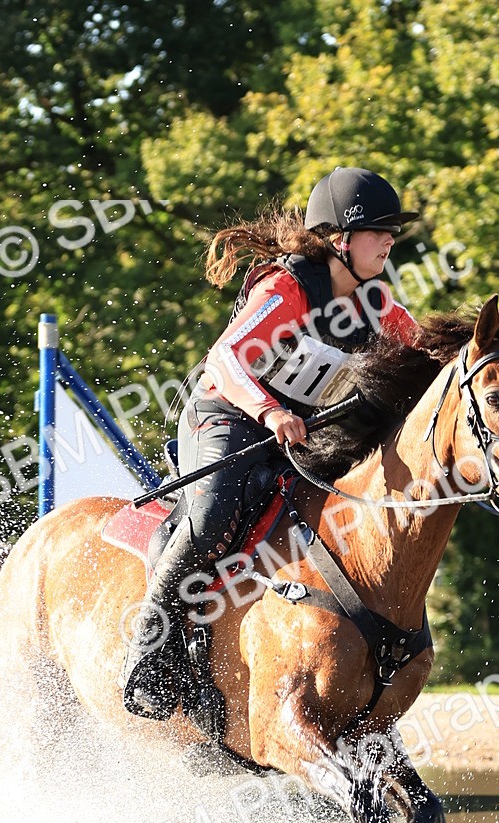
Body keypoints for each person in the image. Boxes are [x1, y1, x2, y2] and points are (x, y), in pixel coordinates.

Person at [123, 166, 421, 719]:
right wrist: (269, 409)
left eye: (391, 231)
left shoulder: (377, 306)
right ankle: (149, 647)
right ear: (339, 240)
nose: (389, 240)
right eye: (378, 230)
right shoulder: (286, 287)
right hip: (226, 415)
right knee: (213, 516)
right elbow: (227, 359)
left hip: (295, 436)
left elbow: (428, 358)